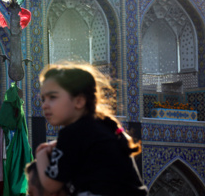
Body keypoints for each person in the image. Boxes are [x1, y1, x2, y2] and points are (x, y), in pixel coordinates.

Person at [35, 63, 148, 196]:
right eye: (43, 99)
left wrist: (40, 155)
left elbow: (51, 185)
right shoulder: (100, 128)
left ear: (79, 101)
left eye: (52, 97)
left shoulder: (72, 133)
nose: (44, 105)